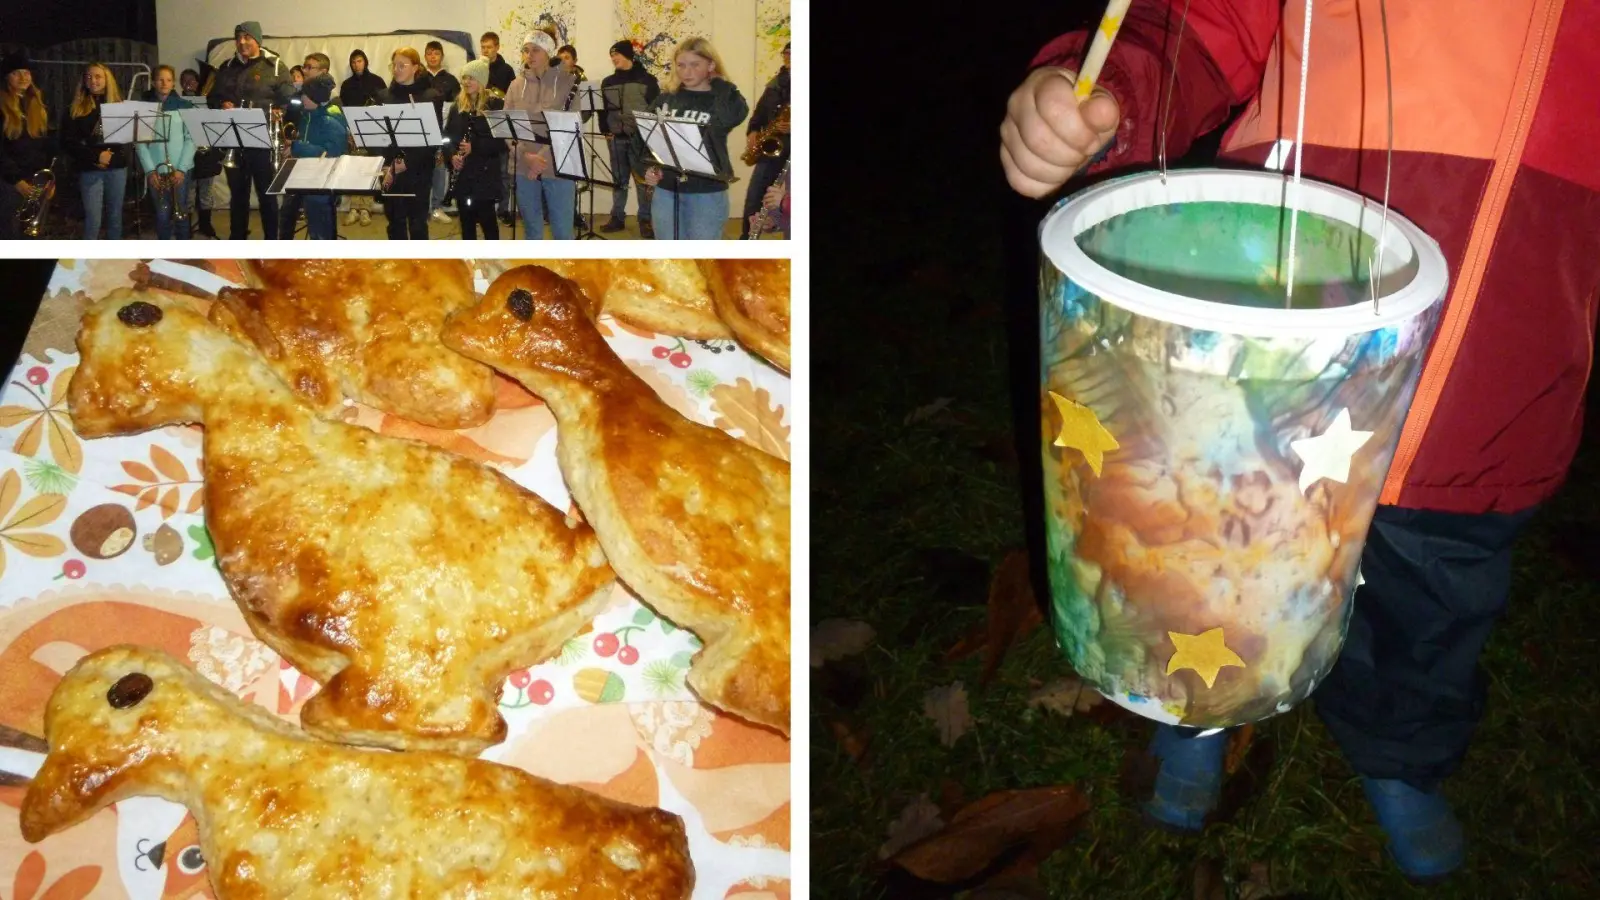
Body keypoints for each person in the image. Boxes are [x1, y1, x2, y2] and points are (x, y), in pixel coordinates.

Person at [999, 1, 1600, 884]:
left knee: (1433, 605)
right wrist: (1111, 89)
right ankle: (1198, 707)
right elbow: (1206, 21)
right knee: (1210, 564)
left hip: (1496, 384)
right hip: (1269, 355)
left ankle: (1399, 753)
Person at [637, 36, 747, 240]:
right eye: (681, 65)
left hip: (706, 192)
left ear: (711, 65)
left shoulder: (725, 97)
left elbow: (732, 117)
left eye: (695, 65)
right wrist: (650, 168)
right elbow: (647, 138)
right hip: (667, 190)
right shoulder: (667, 98)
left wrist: (719, 84)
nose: (686, 72)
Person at [207, 20, 294, 239]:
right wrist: (221, 104)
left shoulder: (275, 66)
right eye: (238, 38)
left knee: (267, 195)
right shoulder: (226, 67)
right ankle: (237, 239)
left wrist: (281, 111)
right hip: (233, 140)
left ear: (258, 40)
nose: (242, 42)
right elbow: (212, 97)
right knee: (238, 195)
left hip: (262, 141)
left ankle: (271, 242)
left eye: (247, 37)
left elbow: (291, 99)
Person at [505, 28, 576, 239]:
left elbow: (571, 126)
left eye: (535, 50)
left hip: (558, 167)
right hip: (523, 166)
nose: (529, 55)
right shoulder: (515, 85)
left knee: (562, 232)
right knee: (532, 231)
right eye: (526, 50)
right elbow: (507, 127)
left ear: (548, 53)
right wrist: (526, 156)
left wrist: (540, 159)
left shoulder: (568, 82)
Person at [377, 47, 437, 239]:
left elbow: (432, 141)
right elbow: (378, 137)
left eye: (402, 65)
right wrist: (386, 165)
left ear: (415, 67)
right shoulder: (384, 97)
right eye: (394, 65)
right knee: (395, 223)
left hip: (419, 170)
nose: (396, 69)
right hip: (391, 169)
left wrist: (407, 161)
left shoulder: (431, 96)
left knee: (418, 224)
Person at [599, 40, 658, 236]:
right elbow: (603, 110)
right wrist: (605, 130)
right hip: (616, 138)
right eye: (611, 55)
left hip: (640, 140)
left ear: (627, 55)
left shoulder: (647, 80)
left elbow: (656, 109)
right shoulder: (608, 82)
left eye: (616, 54)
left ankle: (645, 220)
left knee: (643, 181)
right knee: (619, 181)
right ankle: (617, 218)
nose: (613, 58)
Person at [62, 62, 127, 239]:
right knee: (93, 219)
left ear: (107, 79)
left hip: (116, 167)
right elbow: (68, 143)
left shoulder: (119, 105)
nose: (93, 80)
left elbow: (123, 138)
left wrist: (110, 156)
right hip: (89, 168)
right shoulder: (74, 108)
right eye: (89, 76)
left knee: (115, 217)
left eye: (98, 76)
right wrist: (96, 156)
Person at [445, 58, 506, 240]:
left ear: (481, 80)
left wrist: (475, 147)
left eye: (471, 78)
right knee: (466, 223)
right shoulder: (457, 106)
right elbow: (447, 137)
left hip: (485, 174)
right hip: (463, 174)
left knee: (488, 222)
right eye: (464, 78)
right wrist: (452, 155)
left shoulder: (495, 105)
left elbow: (501, 143)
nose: (466, 82)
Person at [280, 73, 347, 240]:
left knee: (321, 230)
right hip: (308, 178)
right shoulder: (308, 115)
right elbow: (309, 142)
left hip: (322, 184)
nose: (301, 98)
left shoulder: (331, 120)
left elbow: (332, 154)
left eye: (304, 94)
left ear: (314, 98)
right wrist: (293, 147)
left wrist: (297, 147)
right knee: (300, 218)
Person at [0, 50, 55, 240]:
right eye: (16, 73)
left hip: (35, 182)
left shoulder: (36, 104)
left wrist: (49, 180)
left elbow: (45, 147)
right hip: (8, 184)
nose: (23, 77)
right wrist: (16, 180)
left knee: (32, 238)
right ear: (7, 78)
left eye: (26, 72)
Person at [136, 65, 196, 239]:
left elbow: (191, 139)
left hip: (180, 170)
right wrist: (150, 170)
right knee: (162, 215)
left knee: (181, 212)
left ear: (173, 83)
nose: (164, 83)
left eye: (169, 80)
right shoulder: (144, 108)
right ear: (153, 82)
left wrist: (182, 169)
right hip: (157, 171)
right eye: (160, 80)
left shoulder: (185, 106)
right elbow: (140, 143)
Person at [739, 41, 789, 239]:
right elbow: (759, 114)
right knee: (754, 197)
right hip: (772, 147)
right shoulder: (775, 84)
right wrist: (753, 131)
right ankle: (747, 238)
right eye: (786, 53)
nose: (789, 57)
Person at [339, 49, 386, 228]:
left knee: (369, 170)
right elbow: (343, 109)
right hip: (352, 132)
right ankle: (353, 208)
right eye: (353, 62)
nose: (356, 65)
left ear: (365, 62)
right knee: (354, 170)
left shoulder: (377, 81)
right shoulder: (346, 85)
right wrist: (348, 131)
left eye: (359, 61)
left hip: (373, 131)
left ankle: (365, 209)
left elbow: (383, 107)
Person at [422, 40, 461, 225]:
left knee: (439, 169)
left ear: (442, 56)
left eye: (436, 53)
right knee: (421, 170)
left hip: (441, 130)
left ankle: (436, 207)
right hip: (420, 131)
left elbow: (456, 107)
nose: (433, 57)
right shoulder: (419, 77)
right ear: (425, 56)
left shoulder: (451, 80)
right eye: (429, 53)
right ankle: (422, 207)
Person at [480, 31, 516, 224]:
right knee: (482, 169)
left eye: (489, 47)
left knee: (503, 172)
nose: (485, 50)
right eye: (483, 47)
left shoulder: (507, 70)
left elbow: (513, 98)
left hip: (501, 123)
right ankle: (482, 210)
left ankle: (503, 209)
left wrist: (497, 97)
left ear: (497, 47)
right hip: (481, 124)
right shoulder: (478, 67)